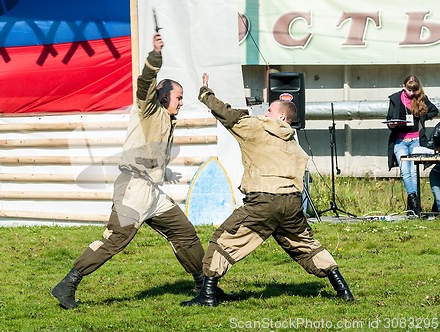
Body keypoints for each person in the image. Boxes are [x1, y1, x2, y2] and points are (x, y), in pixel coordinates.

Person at [52, 34, 234, 309]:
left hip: (152, 192)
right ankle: (67, 285)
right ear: (163, 97)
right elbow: (145, 82)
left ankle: (205, 289)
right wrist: (155, 55)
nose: (181, 103)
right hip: (133, 189)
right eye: (179, 98)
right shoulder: (148, 109)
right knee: (115, 241)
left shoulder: (166, 118)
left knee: (185, 233)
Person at [181, 73, 354, 307]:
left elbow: (227, 114)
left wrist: (205, 93)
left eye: (270, 110)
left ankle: (208, 295)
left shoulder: (256, 127)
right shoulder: (292, 141)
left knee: (223, 241)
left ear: (281, 116)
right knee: (306, 245)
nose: (265, 114)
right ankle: (343, 289)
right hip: (292, 204)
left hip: (263, 202)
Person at [386, 75, 438, 216]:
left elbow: (434, 110)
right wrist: (393, 124)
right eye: (409, 90)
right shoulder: (395, 99)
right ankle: (414, 202)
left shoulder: (420, 98)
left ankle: (414, 209)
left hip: (415, 140)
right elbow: (389, 118)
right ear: (404, 86)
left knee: (414, 173)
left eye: (413, 90)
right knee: (405, 171)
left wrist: (422, 116)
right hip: (400, 141)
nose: (411, 93)